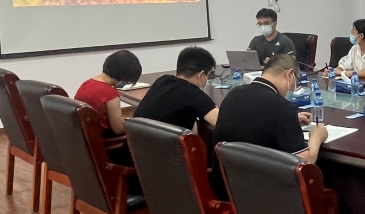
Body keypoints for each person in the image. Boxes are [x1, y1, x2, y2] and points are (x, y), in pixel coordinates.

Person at [211, 53, 328, 199]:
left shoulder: (234, 94)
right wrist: (316, 137)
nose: (293, 88)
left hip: (225, 190)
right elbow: (303, 162)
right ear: (289, 74)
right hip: (263, 198)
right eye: (296, 81)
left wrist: (292, 118)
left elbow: (253, 117)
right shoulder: (281, 107)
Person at [74, 49, 142, 166]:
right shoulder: (110, 93)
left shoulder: (86, 84)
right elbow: (118, 129)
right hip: (104, 145)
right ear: (125, 76)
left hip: (84, 140)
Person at [133, 46, 219, 131]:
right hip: (165, 139)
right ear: (201, 75)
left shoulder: (162, 80)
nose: (207, 79)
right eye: (208, 75)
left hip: (137, 137)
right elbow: (221, 123)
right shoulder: (194, 94)